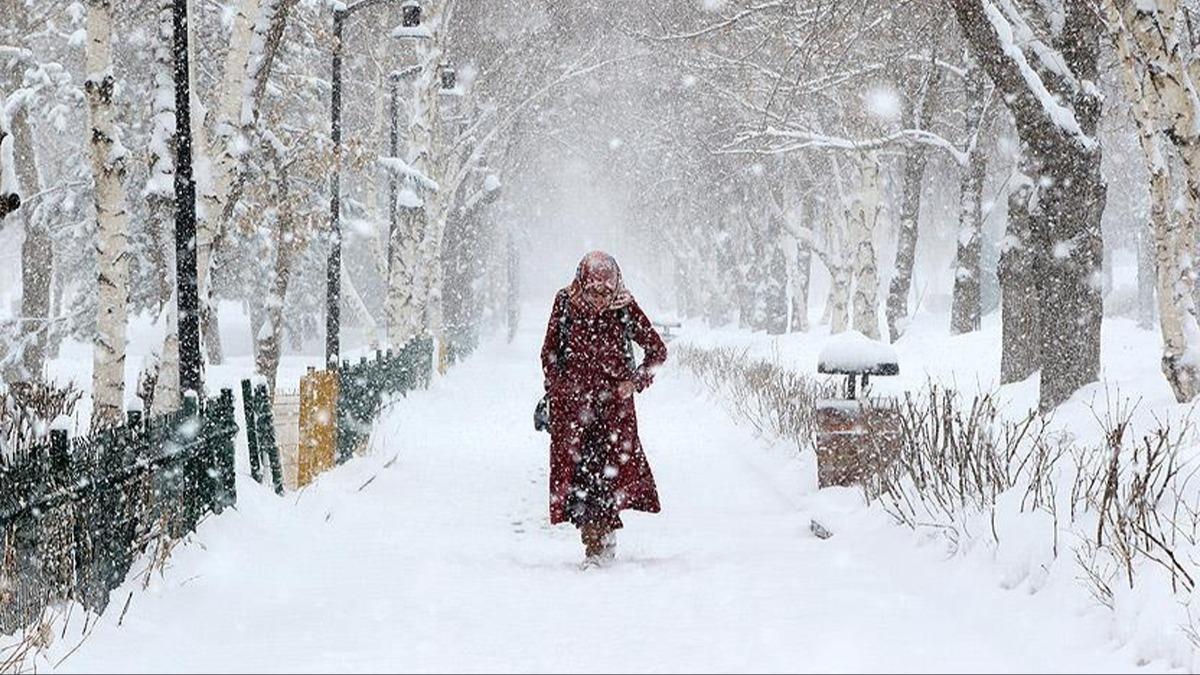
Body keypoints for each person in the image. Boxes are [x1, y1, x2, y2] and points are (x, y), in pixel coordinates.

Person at [540, 251, 668, 568]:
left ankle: (601, 542)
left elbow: (657, 351)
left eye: (605, 291)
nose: (599, 298)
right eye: (593, 290)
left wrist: (634, 382)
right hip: (574, 412)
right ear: (581, 283)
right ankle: (594, 542)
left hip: (614, 413)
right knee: (580, 479)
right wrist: (560, 387)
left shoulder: (624, 307)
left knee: (607, 477)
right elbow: (549, 352)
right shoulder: (565, 303)